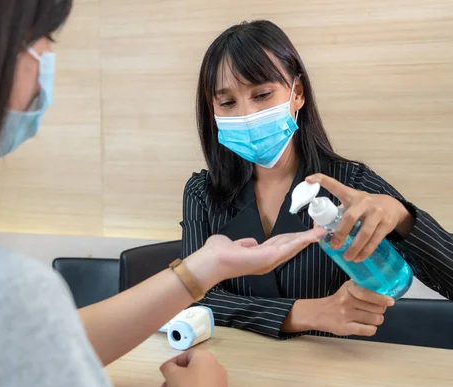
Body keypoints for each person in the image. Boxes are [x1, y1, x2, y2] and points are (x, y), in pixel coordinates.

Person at [0, 3, 325, 387]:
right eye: (43, 35)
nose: (48, 55)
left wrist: (204, 267)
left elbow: (34, 346)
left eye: (262, 94)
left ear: (296, 92)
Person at [181, 20, 453, 340]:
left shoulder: (351, 184)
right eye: (227, 102)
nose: (246, 114)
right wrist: (302, 313)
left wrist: (402, 217)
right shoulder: (203, 193)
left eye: (263, 94)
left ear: (297, 93)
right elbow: (192, 298)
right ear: (212, 111)